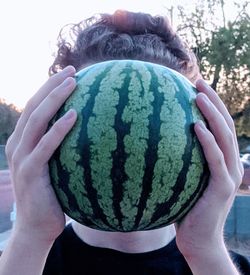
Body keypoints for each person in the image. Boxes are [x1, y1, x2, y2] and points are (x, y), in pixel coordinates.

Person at [0, 10, 249, 275]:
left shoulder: (222, 266)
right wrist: (30, 234)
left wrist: (206, 248)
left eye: (155, 130)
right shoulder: (23, 260)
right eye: (100, 126)